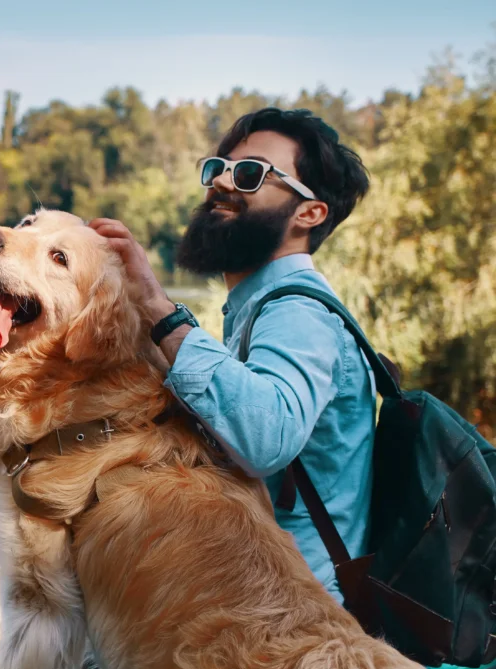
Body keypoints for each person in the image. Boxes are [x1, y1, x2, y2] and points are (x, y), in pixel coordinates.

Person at [91, 107, 373, 606]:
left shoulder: (298, 311)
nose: (221, 182)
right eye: (218, 168)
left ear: (309, 213)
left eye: (250, 174)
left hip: (295, 619)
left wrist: (160, 309)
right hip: (263, 598)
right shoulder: (259, 308)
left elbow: (265, 439)